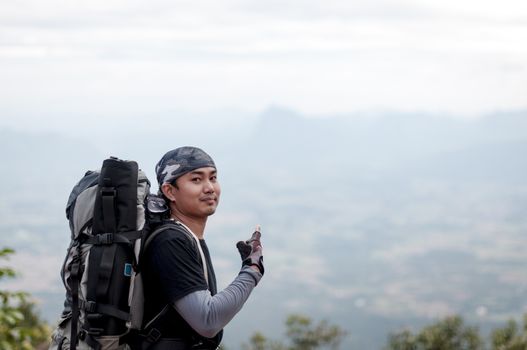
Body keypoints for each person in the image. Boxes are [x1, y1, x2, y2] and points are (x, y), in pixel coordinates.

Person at [140, 146, 264, 349]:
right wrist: (252, 269)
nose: (209, 188)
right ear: (169, 191)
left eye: (213, 178)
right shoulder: (171, 241)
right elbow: (208, 320)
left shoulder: (186, 236)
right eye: (196, 180)